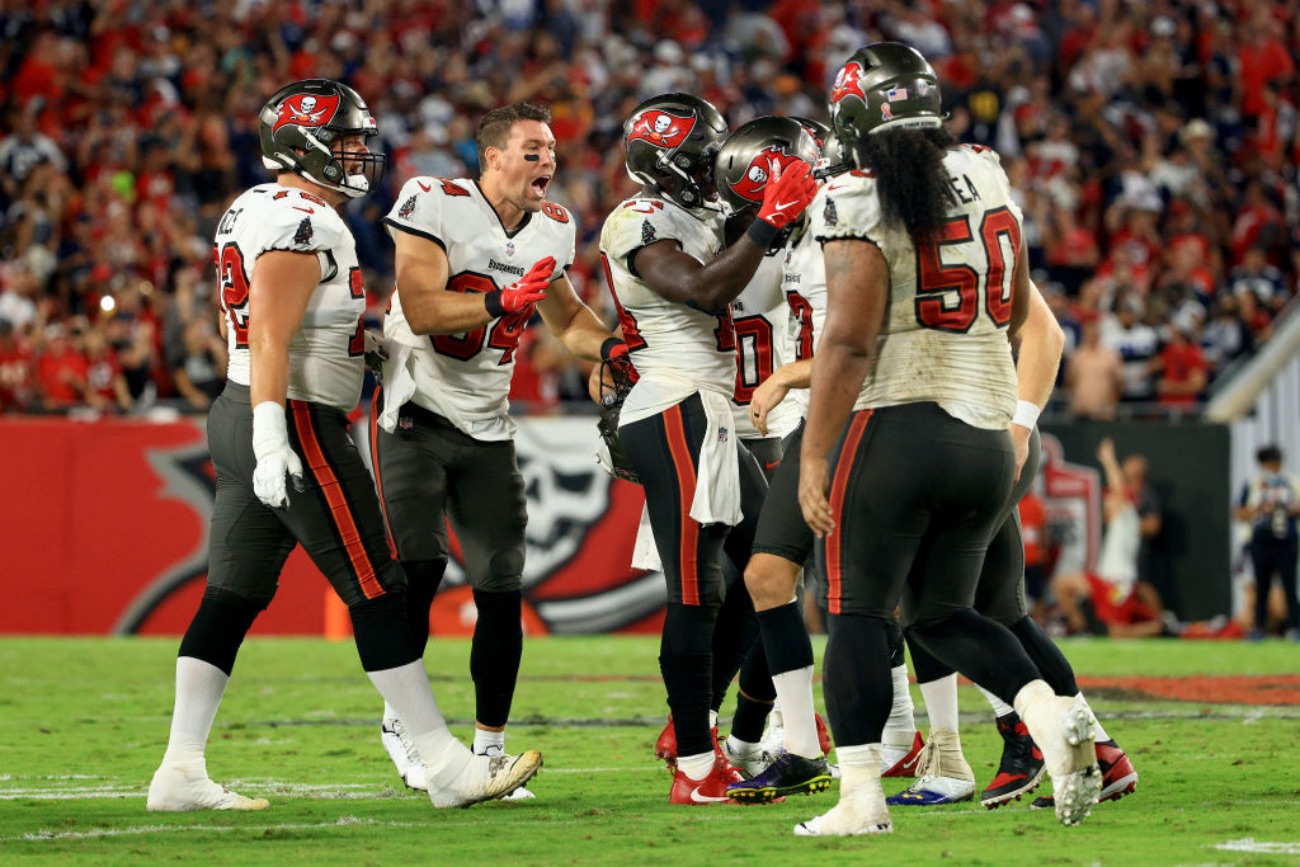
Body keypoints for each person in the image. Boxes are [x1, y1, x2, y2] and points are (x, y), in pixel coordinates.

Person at [147, 80, 540, 813]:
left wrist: (364, 349)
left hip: (244, 406)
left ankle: (179, 769)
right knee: (379, 585)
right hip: (288, 417)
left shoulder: (254, 207)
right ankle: (446, 766)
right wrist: (274, 437)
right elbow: (270, 332)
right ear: (302, 143)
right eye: (347, 136)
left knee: (231, 596)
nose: (360, 150)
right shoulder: (307, 222)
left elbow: (294, 326)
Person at [795, 43, 1101, 836]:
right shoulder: (988, 174)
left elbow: (850, 342)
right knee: (941, 611)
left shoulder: (854, 196)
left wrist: (816, 453)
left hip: (901, 420)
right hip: (987, 433)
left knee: (857, 611)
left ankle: (859, 797)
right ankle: (1046, 713)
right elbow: (1016, 302)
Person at [373, 102, 623, 794]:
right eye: (533, 148)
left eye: (550, 149)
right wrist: (499, 303)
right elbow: (421, 308)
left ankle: (488, 752)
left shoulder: (553, 226)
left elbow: (568, 320)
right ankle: (404, 720)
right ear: (493, 157)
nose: (548, 160)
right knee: (417, 571)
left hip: (487, 425)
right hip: (414, 410)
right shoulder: (435, 200)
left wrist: (621, 351)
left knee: (501, 587)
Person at [600, 92, 816, 805]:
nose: (714, 171)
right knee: (696, 590)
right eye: (701, 158)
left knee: (767, 571)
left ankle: (692, 730)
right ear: (663, 163)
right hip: (673, 404)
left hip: (710, 410)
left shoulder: (704, 215)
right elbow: (700, 289)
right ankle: (695, 763)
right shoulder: (638, 218)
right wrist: (768, 221)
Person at [1052, 439, 1168, 638]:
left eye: (1111, 500)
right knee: (1062, 584)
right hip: (1103, 579)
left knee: (1117, 634)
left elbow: (1117, 488)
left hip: (1118, 582)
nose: (1108, 502)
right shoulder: (1120, 521)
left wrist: (1108, 460)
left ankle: (1159, 627)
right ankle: (1081, 631)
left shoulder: (1127, 516)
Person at [1236, 445, 1300, 639]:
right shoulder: (1254, 483)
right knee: (1261, 586)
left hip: (1285, 541)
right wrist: (1260, 509)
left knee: (1289, 585)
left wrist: (1290, 509)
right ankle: (1259, 627)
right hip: (1261, 541)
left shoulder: (1292, 482)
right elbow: (1240, 512)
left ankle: (1295, 627)